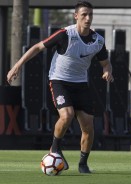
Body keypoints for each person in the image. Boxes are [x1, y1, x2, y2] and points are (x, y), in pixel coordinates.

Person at [7, 1, 113, 174]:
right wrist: (17, 66)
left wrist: (107, 71)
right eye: (84, 14)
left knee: (88, 126)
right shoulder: (65, 34)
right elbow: (37, 47)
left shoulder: (97, 40)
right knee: (67, 115)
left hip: (81, 84)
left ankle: (83, 164)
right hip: (59, 81)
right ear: (76, 16)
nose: (88, 18)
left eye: (90, 15)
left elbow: (106, 63)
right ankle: (55, 149)